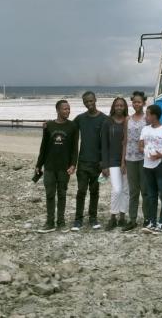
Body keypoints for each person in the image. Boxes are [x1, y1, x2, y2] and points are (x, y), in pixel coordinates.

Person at [34, 100, 78, 233]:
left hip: (64, 167)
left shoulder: (73, 126)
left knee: (62, 194)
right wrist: (38, 164)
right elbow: (44, 147)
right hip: (49, 167)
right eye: (65, 109)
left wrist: (73, 164)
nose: (67, 111)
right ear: (58, 110)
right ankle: (50, 222)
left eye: (69, 109)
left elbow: (74, 148)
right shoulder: (49, 126)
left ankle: (61, 222)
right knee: (50, 195)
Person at [71, 91, 108, 232]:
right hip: (83, 162)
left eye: (91, 101)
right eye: (86, 102)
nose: (89, 104)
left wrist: (104, 162)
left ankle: (93, 218)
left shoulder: (104, 119)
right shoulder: (80, 119)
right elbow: (67, 128)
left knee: (94, 191)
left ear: (95, 99)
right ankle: (78, 220)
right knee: (81, 191)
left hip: (97, 163)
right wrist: (49, 124)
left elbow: (107, 143)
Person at [140, 104, 162, 234]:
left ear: (154, 116)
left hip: (161, 165)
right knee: (151, 194)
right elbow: (140, 146)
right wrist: (146, 151)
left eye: (147, 114)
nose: (146, 117)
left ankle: (161, 223)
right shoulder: (145, 129)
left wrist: (161, 155)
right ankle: (152, 222)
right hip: (147, 166)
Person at [121, 91, 148, 232]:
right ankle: (132, 220)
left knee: (145, 190)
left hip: (144, 159)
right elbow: (125, 141)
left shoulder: (147, 118)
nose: (136, 104)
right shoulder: (127, 119)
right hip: (130, 158)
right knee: (133, 191)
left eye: (139, 102)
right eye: (134, 102)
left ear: (144, 102)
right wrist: (122, 161)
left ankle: (147, 219)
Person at [102, 97, 130, 230]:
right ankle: (113, 217)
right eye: (117, 105)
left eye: (122, 106)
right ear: (113, 107)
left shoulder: (128, 120)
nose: (119, 108)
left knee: (125, 190)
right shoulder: (107, 122)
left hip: (128, 160)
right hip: (112, 161)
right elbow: (104, 144)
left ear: (125, 107)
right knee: (117, 189)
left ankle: (122, 217)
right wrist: (105, 165)